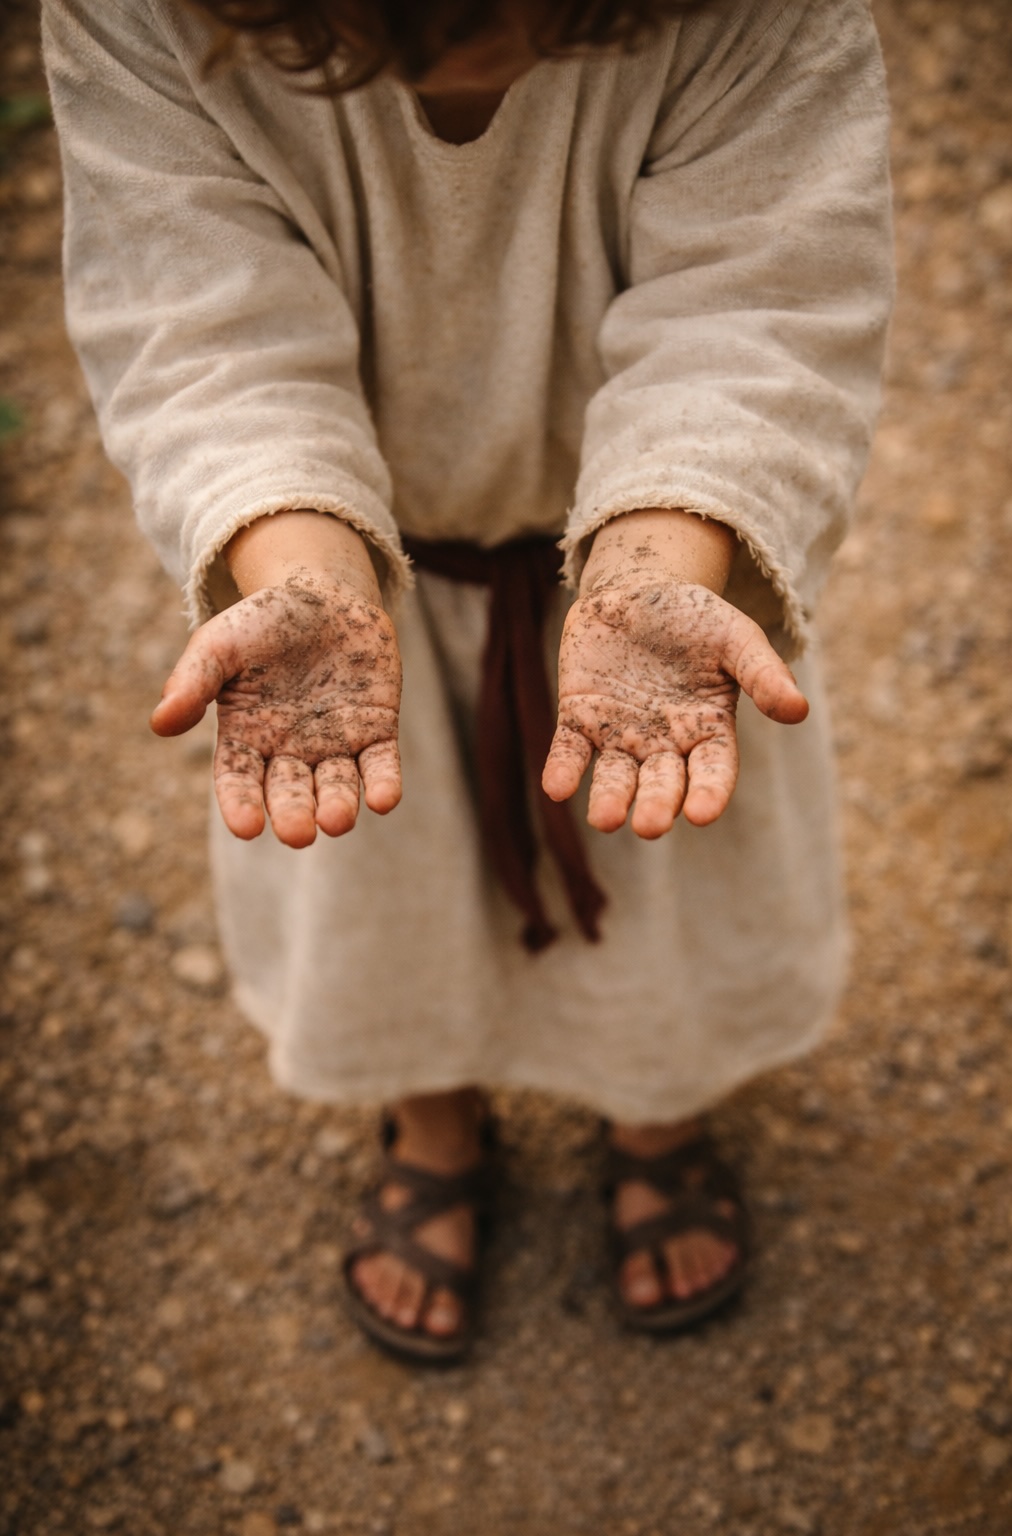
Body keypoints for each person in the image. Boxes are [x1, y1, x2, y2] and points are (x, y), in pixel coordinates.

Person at [43, 0, 893, 1362]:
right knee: (383, 886)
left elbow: (765, 300)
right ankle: (428, 1105)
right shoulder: (138, 17)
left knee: (661, 882)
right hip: (363, 576)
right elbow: (193, 320)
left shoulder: (757, 14)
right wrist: (301, 555)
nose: (464, 52)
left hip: (653, 571)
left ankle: (654, 1104)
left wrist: (657, 552)